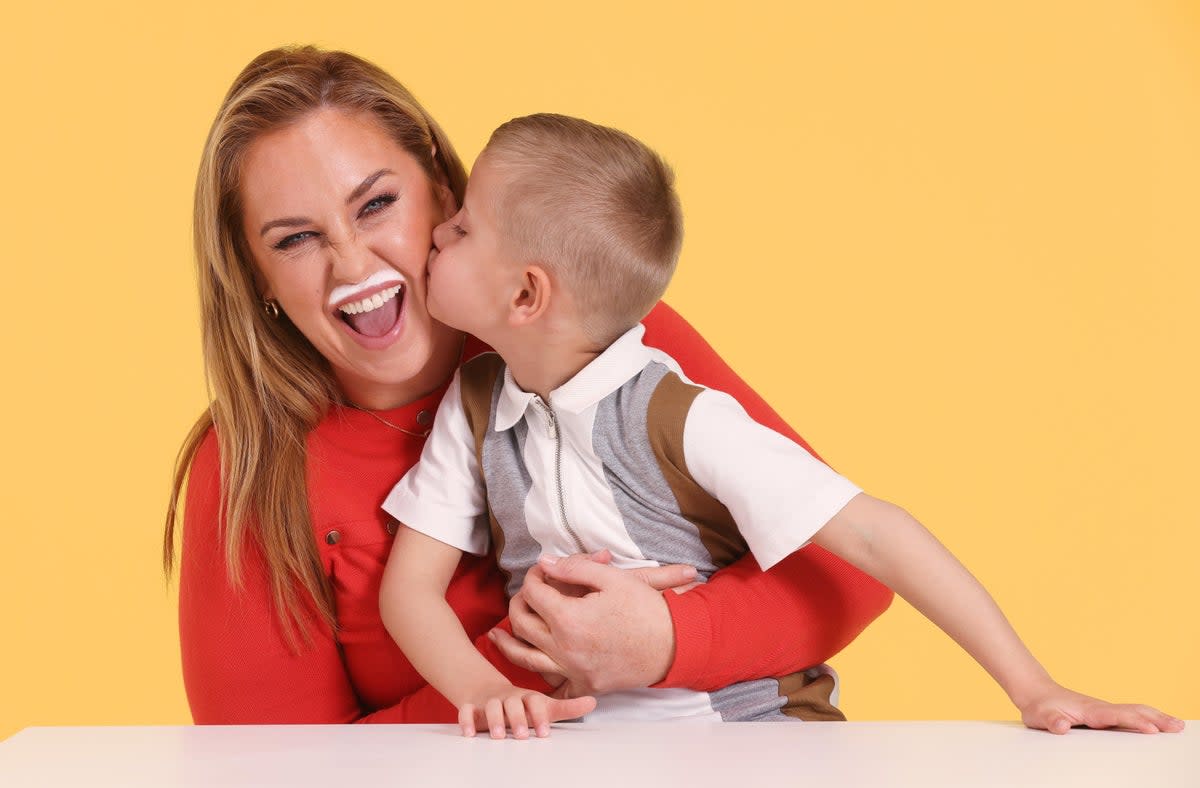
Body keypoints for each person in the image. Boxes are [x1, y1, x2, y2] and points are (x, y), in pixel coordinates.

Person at [379, 113, 1186, 739]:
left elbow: (875, 536)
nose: (435, 235)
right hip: (583, 743)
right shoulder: (479, 401)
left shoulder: (678, 416)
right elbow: (409, 590)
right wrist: (485, 693)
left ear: (525, 298)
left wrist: (1035, 688)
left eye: (459, 231)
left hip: (749, 732)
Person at [164, 46, 895, 725]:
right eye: (295, 239)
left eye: (377, 204)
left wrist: (668, 638)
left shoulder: (593, 333)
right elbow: (269, 766)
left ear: (443, 193)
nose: (353, 266)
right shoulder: (247, 468)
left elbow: (851, 570)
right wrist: (530, 659)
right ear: (253, 276)